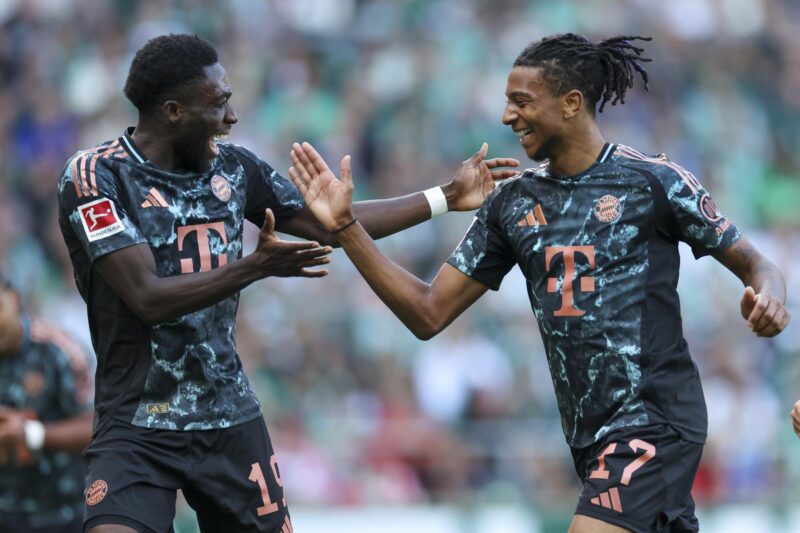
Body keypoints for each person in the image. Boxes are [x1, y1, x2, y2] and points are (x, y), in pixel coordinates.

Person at [289, 33, 791, 533]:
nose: (508, 116)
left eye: (521, 101)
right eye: (508, 102)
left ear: (571, 103)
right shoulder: (513, 203)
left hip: (655, 419)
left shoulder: (654, 182)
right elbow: (427, 312)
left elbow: (756, 264)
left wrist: (769, 294)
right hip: (588, 437)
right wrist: (346, 229)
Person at [56, 34, 518, 533]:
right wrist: (255, 267)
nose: (232, 118)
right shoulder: (95, 177)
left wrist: (446, 195)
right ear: (172, 111)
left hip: (227, 417)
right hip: (136, 421)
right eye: (219, 104)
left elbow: (329, 223)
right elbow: (146, 297)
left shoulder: (234, 167)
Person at [0, 274, 94, 533]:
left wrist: (31, 434)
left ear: (15, 298)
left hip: (61, 512)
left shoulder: (58, 350)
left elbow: (98, 425)